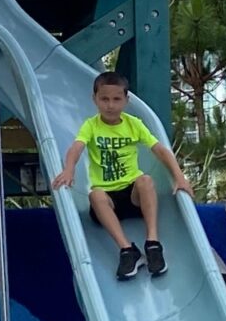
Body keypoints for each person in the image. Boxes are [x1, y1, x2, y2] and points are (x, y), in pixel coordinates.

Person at [52, 71, 193, 280]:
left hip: (133, 197)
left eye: (117, 99)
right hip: (108, 203)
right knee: (95, 195)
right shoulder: (91, 125)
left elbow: (161, 150)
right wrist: (69, 169)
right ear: (95, 100)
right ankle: (128, 250)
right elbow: (76, 147)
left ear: (126, 101)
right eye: (104, 99)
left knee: (145, 180)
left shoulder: (133, 124)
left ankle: (153, 243)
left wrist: (180, 178)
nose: (110, 105)